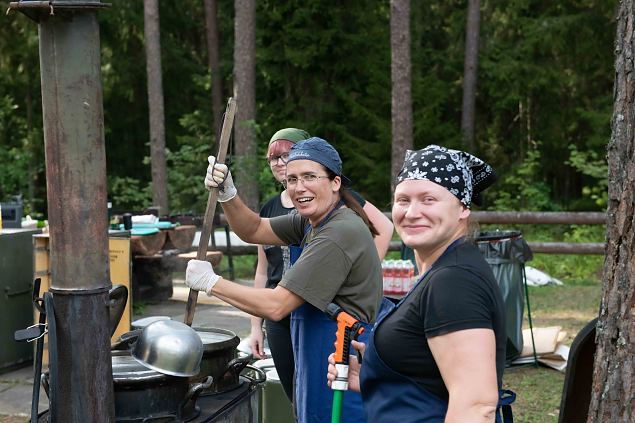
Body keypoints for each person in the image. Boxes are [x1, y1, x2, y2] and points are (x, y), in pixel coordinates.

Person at [186, 137, 385, 423]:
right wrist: (228, 194)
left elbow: (277, 305)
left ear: (335, 182)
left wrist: (211, 282)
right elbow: (253, 228)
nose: (299, 187)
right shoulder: (313, 220)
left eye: (309, 177)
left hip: (342, 361)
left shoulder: (339, 233)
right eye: (292, 179)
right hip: (320, 357)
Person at [327, 145, 514, 422]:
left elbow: (476, 406)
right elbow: (431, 368)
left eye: (429, 199)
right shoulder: (443, 270)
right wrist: (377, 370)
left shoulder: (454, 281)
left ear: (463, 207)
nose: (412, 212)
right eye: (403, 200)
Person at [250, 128, 393, 402]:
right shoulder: (271, 208)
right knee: (298, 395)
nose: (280, 162)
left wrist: (355, 272)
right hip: (279, 315)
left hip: (321, 311)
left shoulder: (335, 201)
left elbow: (383, 227)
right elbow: (262, 268)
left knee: (327, 396)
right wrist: (256, 326)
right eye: (273, 158)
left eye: (286, 154)